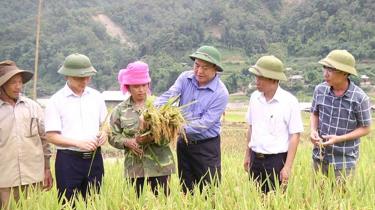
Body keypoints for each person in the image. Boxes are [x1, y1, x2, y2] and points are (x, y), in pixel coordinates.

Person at [155, 45, 229, 194]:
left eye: (205, 68)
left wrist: (174, 128)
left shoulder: (221, 93)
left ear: (215, 69)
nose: (199, 71)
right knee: (186, 189)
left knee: (209, 190)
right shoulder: (185, 78)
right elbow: (170, 96)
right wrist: (154, 111)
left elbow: (204, 124)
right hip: (184, 145)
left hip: (206, 147)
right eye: (196, 65)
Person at [44, 53, 107, 203]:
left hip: (94, 159)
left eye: (87, 77)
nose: (85, 81)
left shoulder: (97, 97)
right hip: (68, 160)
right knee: (67, 204)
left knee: (95, 204)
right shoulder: (56, 101)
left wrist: (104, 133)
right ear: (67, 76)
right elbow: (51, 136)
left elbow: (105, 124)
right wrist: (78, 143)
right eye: (79, 78)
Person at [108, 61, 176, 197]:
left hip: (160, 166)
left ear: (148, 85)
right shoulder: (120, 110)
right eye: (136, 86)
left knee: (163, 206)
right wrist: (128, 142)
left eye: (144, 85)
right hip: (134, 167)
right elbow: (112, 136)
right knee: (134, 206)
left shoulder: (160, 107)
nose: (141, 89)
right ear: (128, 87)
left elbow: (170, 134)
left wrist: (152, 137)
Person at [243, 55, 303, 193]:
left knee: (275, 202)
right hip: (255, 158)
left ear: (273, 79)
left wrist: (287, 167)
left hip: (276, 161)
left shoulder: (289, 101)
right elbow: (251, 128)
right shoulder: (254, 98)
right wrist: (247, 156)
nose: (256, 81)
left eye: (260, 77)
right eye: (256, 77)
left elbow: (295, 136)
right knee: (255, 200)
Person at [310, 50, 371, 179]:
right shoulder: (320, 90)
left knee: (342, 198)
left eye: (331, 70)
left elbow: (366, 128)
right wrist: (313, 130)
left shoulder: (359, 98)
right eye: (325, 68)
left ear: (345, 73)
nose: (326, 73)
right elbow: (314, 113)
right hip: (319, 156)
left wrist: (338, 139)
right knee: (316, 198)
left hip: (344, 161)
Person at [0, 60, 52, 210]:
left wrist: (47, 168)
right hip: (5, 180)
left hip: (33, 177)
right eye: (13, 83)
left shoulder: (33, 107)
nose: (18, 87)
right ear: (2, 85)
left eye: (20, 82)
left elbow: (44, 140)